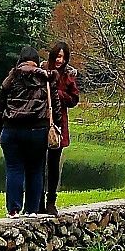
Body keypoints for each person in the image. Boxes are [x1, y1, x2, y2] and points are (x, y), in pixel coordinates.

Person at [0, 51, 60, 216]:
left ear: (20, 61)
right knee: (36, 169)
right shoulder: (45, 79)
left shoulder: (12, 78)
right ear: (36, 62)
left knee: (14, 168)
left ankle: (13, 209)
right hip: (38, 130)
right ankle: (32, 209)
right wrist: (56, 126)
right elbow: (56, 107)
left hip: (12, 129)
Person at [43, 42, 80, 213]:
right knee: (37, 164)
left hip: (59, 124)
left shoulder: (67, 76)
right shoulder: (42, 70)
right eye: (58, 56)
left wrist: (59, 94)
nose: (60, 60)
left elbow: (74, 99)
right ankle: (36, 200)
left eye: (63, 57)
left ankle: (51, 200)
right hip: (40, 121)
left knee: (53, 163)